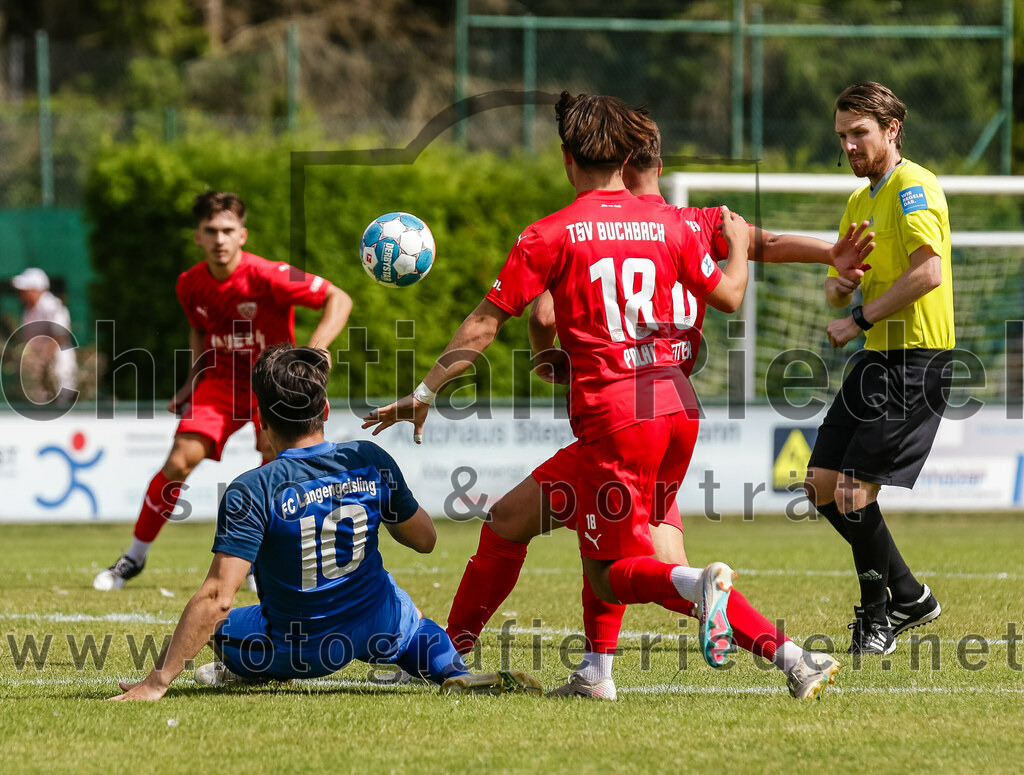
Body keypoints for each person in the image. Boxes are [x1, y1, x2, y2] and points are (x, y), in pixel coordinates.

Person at [364, 92, 840, 699]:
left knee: (615, 574)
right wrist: (747, 247)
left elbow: (492, 323)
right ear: (628, 158)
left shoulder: (550, 233)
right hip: (674, 408)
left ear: (568, 158)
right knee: (512, 520)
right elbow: (727, 295)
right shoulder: (671, 223)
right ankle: (599, 670)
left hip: (618, 419)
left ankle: (707, 597)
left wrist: (425, 391)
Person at [110, 344, 542, 700]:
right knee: (413, 621)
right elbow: (425, 539)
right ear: (327, 409)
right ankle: (452, 669)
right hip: (377, 624)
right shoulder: (368, 458)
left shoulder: (252, 488)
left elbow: (217, 598)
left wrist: (156, 681)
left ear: (261, 419)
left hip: (303, 648)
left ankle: (250, 668)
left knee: (219, 631)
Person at [95, 191, 353, 591]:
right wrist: (191, 383)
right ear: (197, 236)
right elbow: (199, 330)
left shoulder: (271, 274)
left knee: (277, 470)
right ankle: (134, 557)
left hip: (272, 384)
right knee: (179, 461)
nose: (220, 239)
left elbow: (339, 297)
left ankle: (261, 564)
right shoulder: (189, 284)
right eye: (211, 230)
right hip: (221, 384)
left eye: (228, 230)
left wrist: (314, 349)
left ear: (242, 235)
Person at [804, 82, 952, 655]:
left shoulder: (914, 186)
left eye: (859, 133)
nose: (849, 145)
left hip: (916, 359)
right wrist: (842, 285)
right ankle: (909, 595)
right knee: (821, 486)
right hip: (877, 359)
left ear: (892, 129)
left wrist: (859, 317)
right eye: (842, 136)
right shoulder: (858, 201)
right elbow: (835, 289)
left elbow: (929, 273)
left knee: (851, 490)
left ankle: (877, 620)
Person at [11, 267, 77, 406]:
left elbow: (61, 336)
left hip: (58, 362)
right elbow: (29, 342)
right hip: (39, 364)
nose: (22, 293)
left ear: (37, 289)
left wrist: (42, 356)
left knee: (61, 403)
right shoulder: (28, 311)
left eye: (26, 289)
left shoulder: (53, 306)